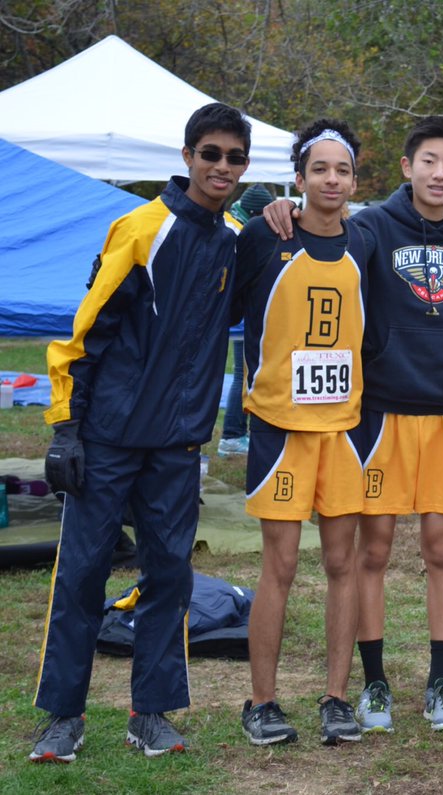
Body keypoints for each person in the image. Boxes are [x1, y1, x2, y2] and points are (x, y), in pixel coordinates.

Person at [263, 116, 443, 731]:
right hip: (378, 413)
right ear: (406, 166)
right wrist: (282, 211)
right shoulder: (371, 227)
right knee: (374, 550)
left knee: (442, 547)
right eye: (428, 161)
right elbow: (324, 239)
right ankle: (373, 684)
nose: (439, 173)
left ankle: (441, 680)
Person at [32, 102, 251, 762]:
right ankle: (62, 717)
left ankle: (150, 712)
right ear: (187, 158)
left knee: (168, 577)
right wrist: (66, 430)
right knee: (81, 575)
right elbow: (82, 335)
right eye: (209, 153)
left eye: (233, 157)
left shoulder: (236, 241)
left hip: (178, 443)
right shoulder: (141, 227)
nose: (220, 166)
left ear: (243, 168)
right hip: (107, 437)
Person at [237, 120, 375, 747]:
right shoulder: (265, 239)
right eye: (319, 169)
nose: (331, 180)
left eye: (342, 170)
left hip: (343, 430)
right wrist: (261, 205)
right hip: (279, 429)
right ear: (298, 178)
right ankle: (261, 701)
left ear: (354, 180)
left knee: (343, 562)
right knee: (282, 564)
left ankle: (337, 698)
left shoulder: (365, 242)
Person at [220, 183, 275, 457]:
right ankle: (232, 435)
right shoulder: (241, 231)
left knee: (242, 376)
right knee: (242, 376)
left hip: (237, 320)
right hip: (242, 320)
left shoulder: (230, 222)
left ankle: (234, 434)